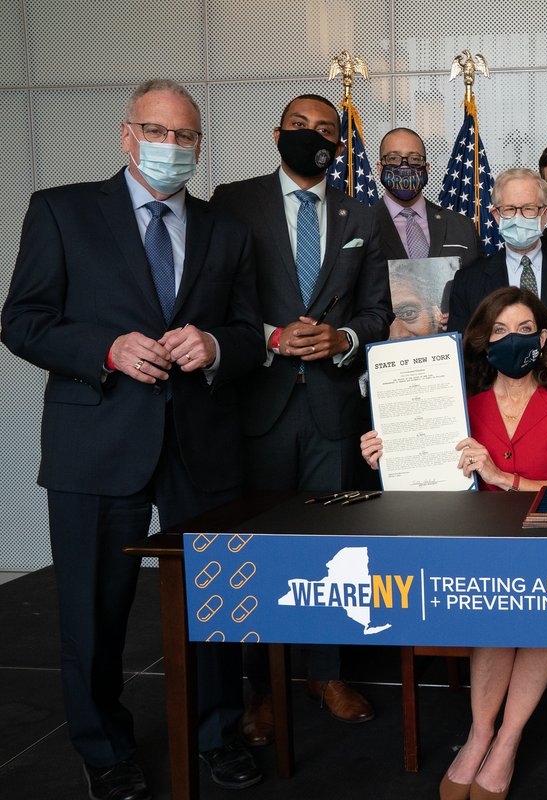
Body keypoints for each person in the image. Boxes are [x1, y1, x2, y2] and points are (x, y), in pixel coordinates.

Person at [1, 78, 263, 798]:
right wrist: (106, 350)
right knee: (91, 608)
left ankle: (218, 731)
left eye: (184, 136)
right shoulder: (61, 212)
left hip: (200, 443)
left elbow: (248, 336)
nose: (170, 147)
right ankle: (102, 745)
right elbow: (21, 320)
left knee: (217, 600)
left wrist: (214, 344)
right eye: (157, 131)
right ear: (126, 134)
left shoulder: (226, 231)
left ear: (199, 145)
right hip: (98, 438)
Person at [209, 93, 392, 741]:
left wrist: (342, 339)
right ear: (276, 133)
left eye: (325, 130)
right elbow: (210, 300)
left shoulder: (363, 214)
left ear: (339, 144)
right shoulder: (232, 203)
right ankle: (262, 687)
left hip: (333, 410)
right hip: (258, 405)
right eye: (300, 126)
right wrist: (267, 336)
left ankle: (326, 672)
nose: (312, 136)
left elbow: (379, 313)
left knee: (334, 551)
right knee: (257, 550)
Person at [361, 287, 547, 800]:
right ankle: (479, 733)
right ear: (485, 343)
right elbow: (428, 478)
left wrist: (501, 476)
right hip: (482, 547)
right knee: (493, 603)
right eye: (500, 332)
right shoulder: (461, 407)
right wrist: (387, 456)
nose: (513, 341)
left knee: (541, 602)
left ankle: (507, 739)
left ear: (545, 336)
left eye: (525, 331)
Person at [447, 168, 547, 389]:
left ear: (544, 214)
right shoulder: (468, 280)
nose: (518, 217)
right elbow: (462, 356)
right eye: (510, 209)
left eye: (528, 209)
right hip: (495, 403)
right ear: (496, 215)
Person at [375, 126, 482, 266]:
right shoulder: (361, 225)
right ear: (379, 168)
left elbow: (479, 281)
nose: (404, 166)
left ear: (426, 168)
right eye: (393, 158)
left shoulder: (462, 226)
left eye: (414, 159)